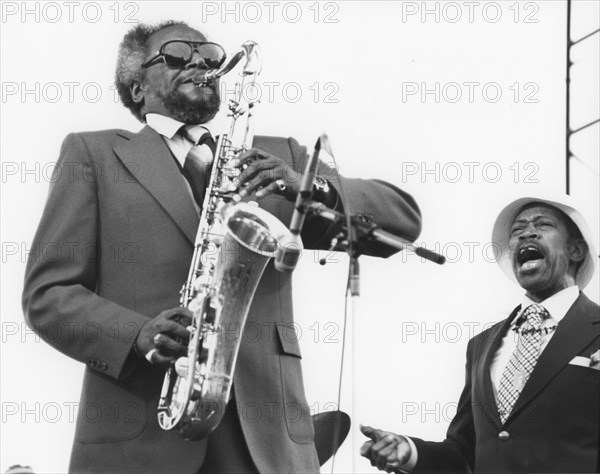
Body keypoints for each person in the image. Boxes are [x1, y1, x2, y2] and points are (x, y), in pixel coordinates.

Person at [22, 21, 422, 474]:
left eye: (210, 55)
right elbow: (48, 296)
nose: (200, 63)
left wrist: (307, 188)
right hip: (144, 435)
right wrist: (137, 334)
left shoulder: (279, 158)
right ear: (136, 87)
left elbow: (404, 222)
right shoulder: (92, 154)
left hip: (265, 440)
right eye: (176, 54)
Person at [360, 196, 599, 473]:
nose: (527, 232)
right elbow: (464, 455)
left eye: (543, 224)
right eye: (517, 229)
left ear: (576, 250)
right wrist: (409, 452)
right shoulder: (481, 346)